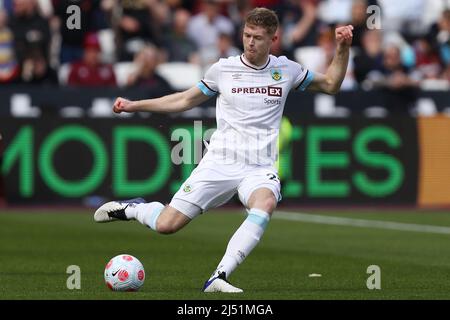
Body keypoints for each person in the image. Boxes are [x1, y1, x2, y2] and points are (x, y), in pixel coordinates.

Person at [94, 7, 353, 293]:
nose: (250, 42)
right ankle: (135, 209)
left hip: (259, 167)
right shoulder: (223, 70)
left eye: (257, 37)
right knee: (167, 225)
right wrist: (134, 106)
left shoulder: (286, 70)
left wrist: (342, 48)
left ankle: (219, 276)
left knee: (265, 203)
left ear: (273, 39)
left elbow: (331, 84)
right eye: (246, 35)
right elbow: (182, 101)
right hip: (220, 162)